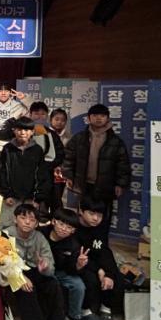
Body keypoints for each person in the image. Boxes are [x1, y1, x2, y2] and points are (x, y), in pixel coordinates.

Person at [0, 204, 67, 320]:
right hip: (8, 274)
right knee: (27, 289)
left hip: (33, 271)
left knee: (53, 284)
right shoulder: (3, 235)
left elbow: (50, 266)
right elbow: (3, 264)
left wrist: (45, 267)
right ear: (15, 219)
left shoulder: (40, 238)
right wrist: (20, 277)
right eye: (23, 218)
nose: (27, 222)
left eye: (32, 220)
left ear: (36, 224)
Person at [62, 103, 131, 242]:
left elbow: (123, 165)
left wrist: (120, 184)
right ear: (88, 118)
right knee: (83, 215)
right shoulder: (79, 138)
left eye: (102, 115)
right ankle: (81, 243)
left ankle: (100, 244)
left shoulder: (115, 141)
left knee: (102, 217)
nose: (99, 118)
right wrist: (69, 176)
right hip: (84, 185)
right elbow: (68, 158)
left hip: (106, 186)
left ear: (108, 118)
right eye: (95, 115)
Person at [40, 208, 104, 320]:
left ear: (73, 231)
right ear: (53, 221)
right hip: (41, 269)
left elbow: (71, 269)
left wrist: (78, 265)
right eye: (61, 224)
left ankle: (75, 316)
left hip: (61, 271)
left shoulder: (73, 245)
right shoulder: (41, 233)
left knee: (78, 285)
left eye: (69, 227)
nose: (64, 229)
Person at [75, 196, 124, 320]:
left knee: (115, 275)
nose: (96, 218)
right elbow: (77, 255)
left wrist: (108, 273)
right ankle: (85, 311)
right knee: (90, 278)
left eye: (99, 215)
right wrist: (99, 270)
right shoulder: (73, 226)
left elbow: (104, 251)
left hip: (95, 261)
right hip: (78, 262)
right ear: (81, 211)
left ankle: (106, 307)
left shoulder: (100, 228)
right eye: (91, 213)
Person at [0, 117, 50, 231]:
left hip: (30, 199)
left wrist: (37, 199)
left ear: (32, 132)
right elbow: (2, 172)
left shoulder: (37, 150)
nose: (22, 132)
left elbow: (42, 175)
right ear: (14, 130)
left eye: (26, 130)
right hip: (11, 198)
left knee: (27, 228)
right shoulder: (7, 149)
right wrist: (7, 194)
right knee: (5, 228)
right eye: (19, 129)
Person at [28, 101, 65, 220]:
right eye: (36, 114)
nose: (40, 117)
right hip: (27, 176)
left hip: (47, 176)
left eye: (43, 114)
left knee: (46, 205)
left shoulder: (52, 134)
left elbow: (60, 154)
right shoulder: (23, 132)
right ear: (30, 114)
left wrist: (47, 166)